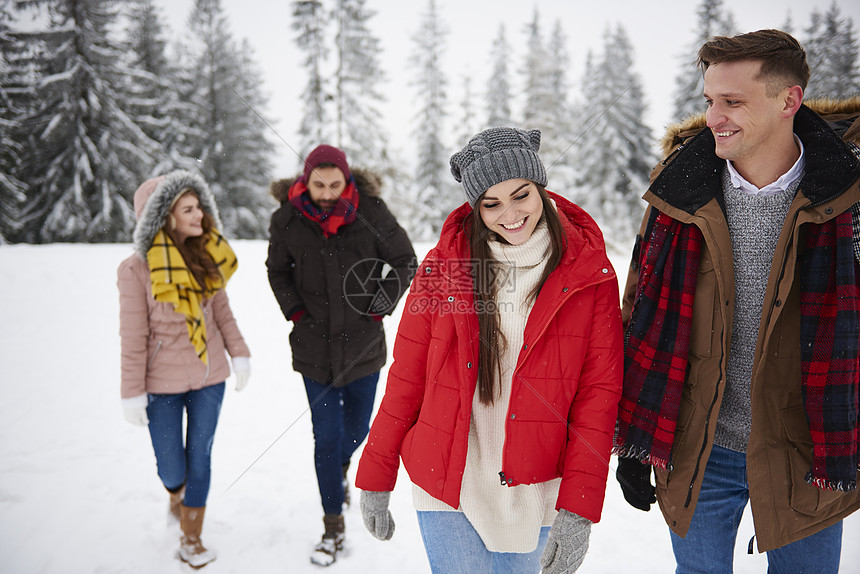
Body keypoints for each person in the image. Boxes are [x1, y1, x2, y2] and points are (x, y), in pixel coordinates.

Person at [614, 29, 860, 573]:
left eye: (732, 102)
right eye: (708, 101)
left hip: (806, 448)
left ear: (788, 101)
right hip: (699, 446)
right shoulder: (680, 190)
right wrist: (634, 438)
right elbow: (639, 309)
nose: (713, 117)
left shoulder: (848, 196)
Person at [355, 127, 623, 574]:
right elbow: (408, 378)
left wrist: (578, 508)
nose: (510, 214)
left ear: (541, 187)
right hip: (448, 482)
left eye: (521, 195)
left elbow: (598, 396)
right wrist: (376, 476)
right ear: (475, 208)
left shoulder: (588, 272)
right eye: (491, 204)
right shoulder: (445, 267)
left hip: (538, 490)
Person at [266, 144, 416, 566]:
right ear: (305, 182)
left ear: (347, 180)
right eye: (319, 184)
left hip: (363, 344)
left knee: (356, 429)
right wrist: (295, 311)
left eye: (335, 184)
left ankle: (339, 470)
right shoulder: (287, 219)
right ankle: (332, 524)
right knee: (326, 438)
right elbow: (276, 269)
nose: (328, 193)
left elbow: (405, 260)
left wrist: (379, 306)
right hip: (313, 349)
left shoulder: (370, 210)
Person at [118, 170, 251, 569]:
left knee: (200, 457)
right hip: (161, 383)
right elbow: (133, 336)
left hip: (210, 378)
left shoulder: (206, 255)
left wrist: (239, 353)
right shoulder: (135, 270)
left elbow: (222, 314)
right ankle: (175, 494)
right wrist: (131, 392)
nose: (200, 216)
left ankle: (191, 537)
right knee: (171, 465)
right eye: (188, 209)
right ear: (163, 216)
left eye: (200, 207)